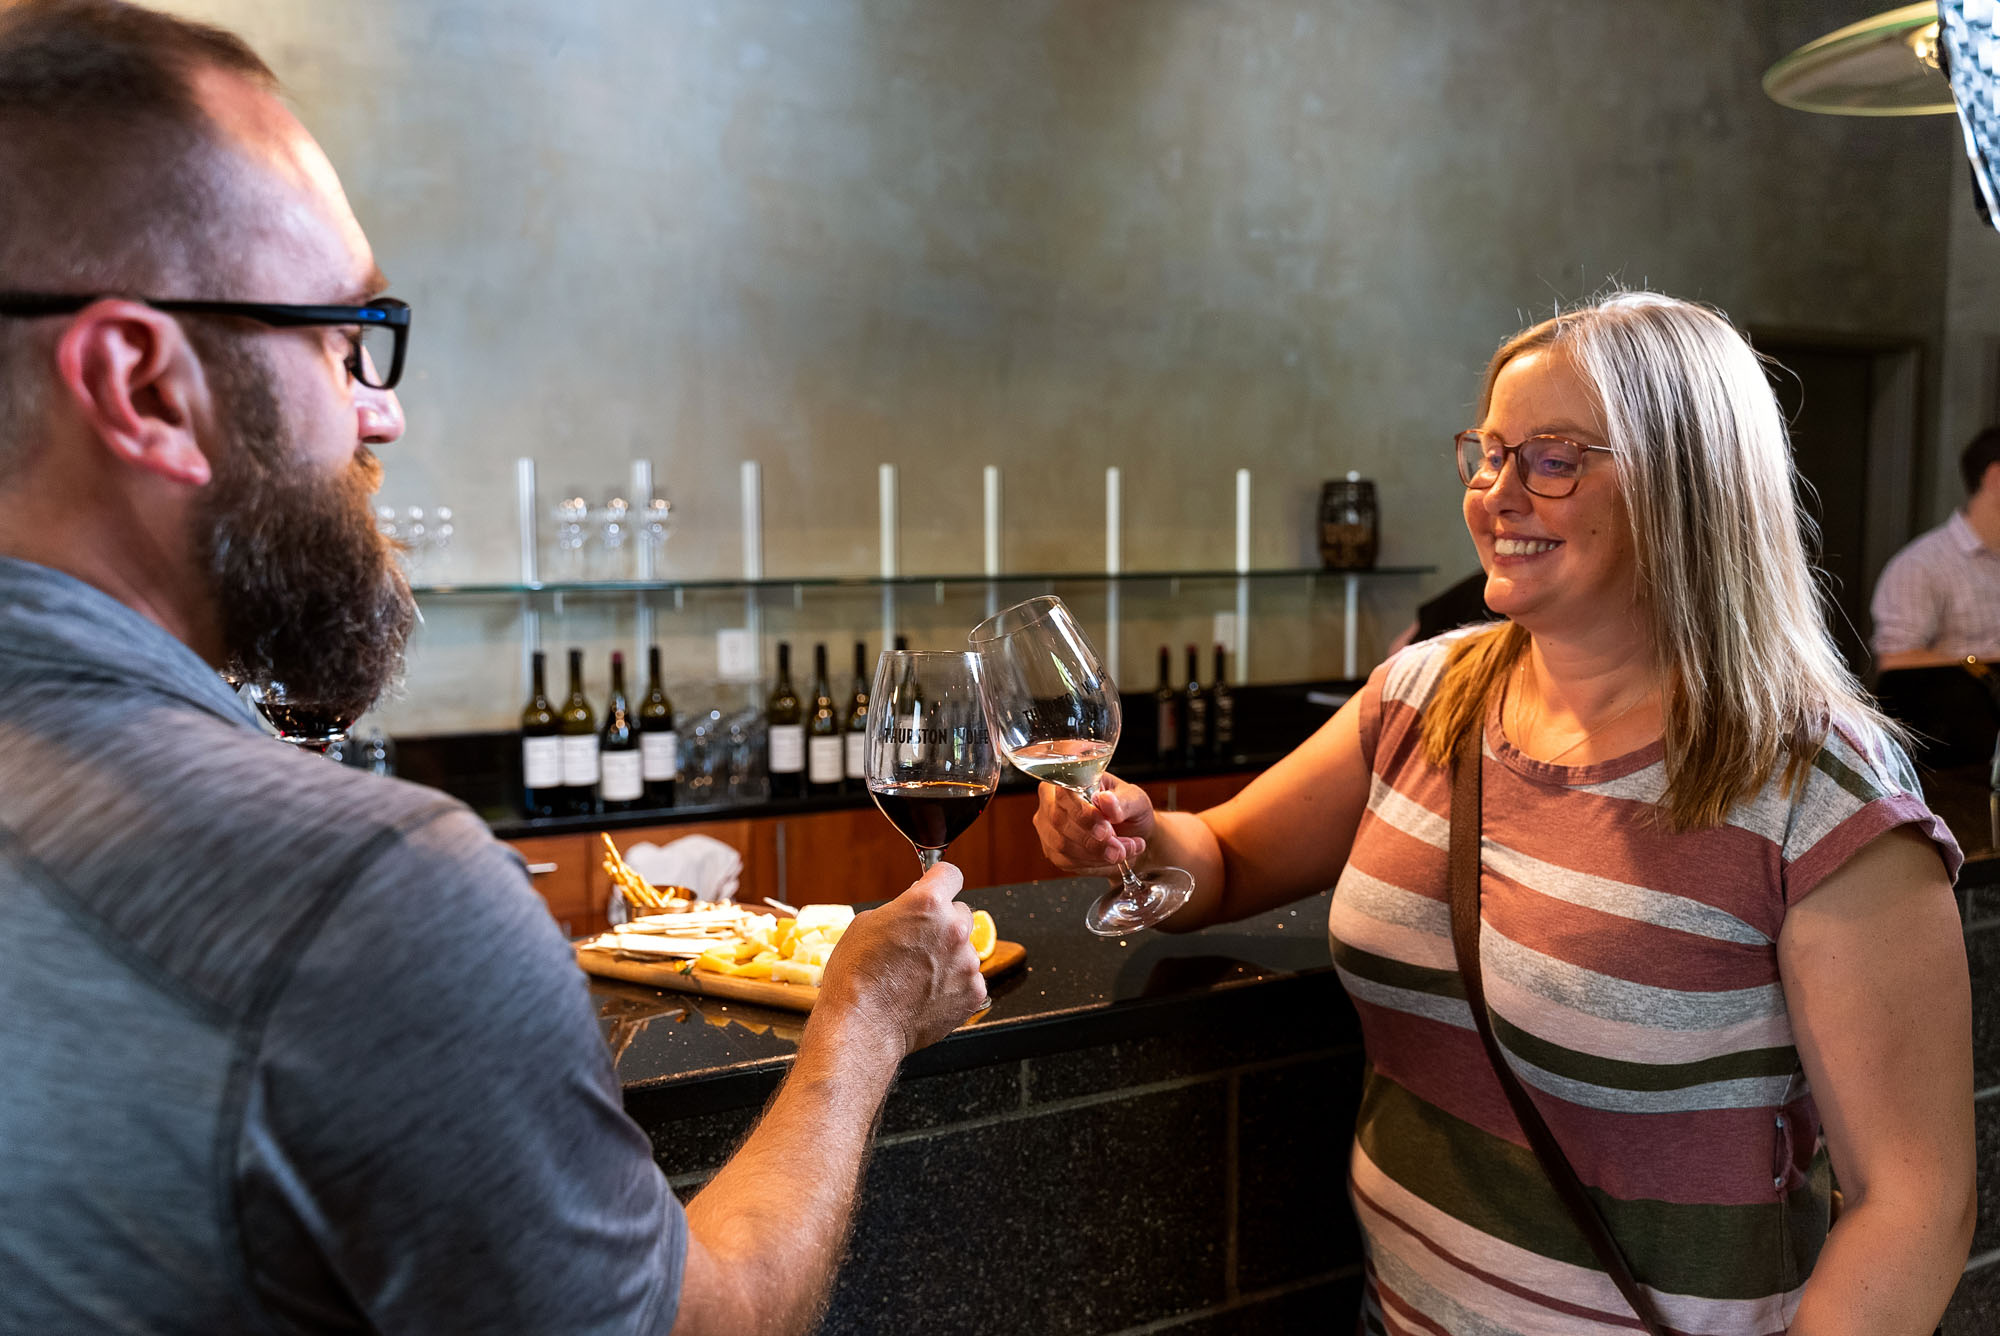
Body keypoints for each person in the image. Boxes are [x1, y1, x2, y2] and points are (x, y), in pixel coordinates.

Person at [0, 3, 987, 1332]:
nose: (384, 411)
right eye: (342, 339)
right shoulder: (368, 894)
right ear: (142, 387)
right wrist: (862, 1022)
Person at [1035, 293, 1974, 1334]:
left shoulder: (1813, 787)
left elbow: (1914, 1204)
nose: (1494, 494)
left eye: (1551, 460)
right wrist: (1133, 836)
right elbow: (1221, 857)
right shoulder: (1423, 695)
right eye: (1486, 455)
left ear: (1684, 483)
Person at [1870, 426, 2000, 670]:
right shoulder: (1922, 564)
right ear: (1995, 478)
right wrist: (1981, 665)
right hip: (1964, 694)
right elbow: (1896, 662)